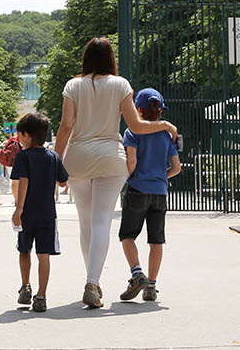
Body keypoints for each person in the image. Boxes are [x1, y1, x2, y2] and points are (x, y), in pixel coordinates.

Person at [54, 37, 177, 308]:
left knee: (85, 223)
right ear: (111, 59)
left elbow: (66, 126)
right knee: (101, 223)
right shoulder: (120, 85)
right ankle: (91, 281)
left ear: (86, 58)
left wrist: (56, 160)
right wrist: (165, 125)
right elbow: (136, 125)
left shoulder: (73, 85)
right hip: (110, 157)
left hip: (78, 157)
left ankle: (94, 283)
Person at [118, 88, 181, 303]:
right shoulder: (167, 135)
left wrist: (128, 177)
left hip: (137, 189)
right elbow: (176, 168)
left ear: (137, 109)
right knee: (156, 241)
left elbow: (132, 162)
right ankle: (151, 287)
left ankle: (137, 274)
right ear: (160, 111)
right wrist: (160, 176)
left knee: (127, 236)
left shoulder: (132, 132)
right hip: (160, 192)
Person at [11, 112, 68, 313]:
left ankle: (25, 286)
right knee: (44, 255)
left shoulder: (23, 156)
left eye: (19, 135)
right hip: (47, 214)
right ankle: (41, 296)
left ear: (26, 135)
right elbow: (63, 181)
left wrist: (19, 208)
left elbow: (23, 181)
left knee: (24, 250)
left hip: (27, 214)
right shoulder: (53, 157)